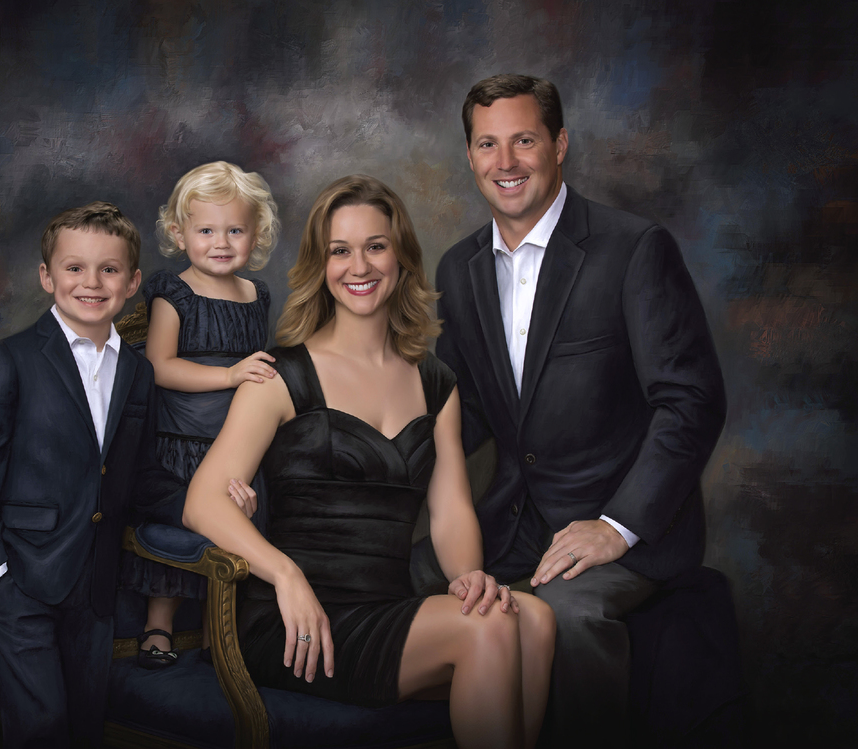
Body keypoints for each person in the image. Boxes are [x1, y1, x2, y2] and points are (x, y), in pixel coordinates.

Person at [183, 175, 556, 749]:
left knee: (536, 620)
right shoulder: (281, 375)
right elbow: (202, 502)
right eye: (340, 250)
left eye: (375, 246)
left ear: (401, 256)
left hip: (386, 607)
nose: (359, 266)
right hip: (294, 620)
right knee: (490, 629)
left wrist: (469, 577)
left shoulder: (436, 382)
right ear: (322, 265)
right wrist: (286, 575)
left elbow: (451, 512)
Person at [434, 73, 727, 745]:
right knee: (392, 577)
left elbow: (691, 401)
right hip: (510, 524)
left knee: (566, 617)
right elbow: (463, 411)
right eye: (487, 144)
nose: (505, 162)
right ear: (470, 156)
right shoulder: (458, 268)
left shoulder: (634, 248)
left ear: (559, 145)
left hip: (621, 529)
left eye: (524, 140)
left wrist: (616, 526)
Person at [0, 202, 187, 747]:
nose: (91, 282)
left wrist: (207, 501)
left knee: (85, 726)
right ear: (47, 276)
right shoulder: (10, 359)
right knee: (41, 727)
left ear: (132, 283)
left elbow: (144, 476)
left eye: (109, 269)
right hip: (23, 579)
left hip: (97, 587)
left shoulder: (138, 371)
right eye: (75, 267)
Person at [119, 161, 279, 667]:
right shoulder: (174, 293)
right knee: (188, 527)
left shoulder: (257, 295)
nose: (221, 242)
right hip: (181, 445)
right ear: (179, 233)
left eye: (235, 230)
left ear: (257, 233)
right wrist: (230, 375)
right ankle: (159, 626)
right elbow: (160, 365)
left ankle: (222, 632)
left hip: (237, 445)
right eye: (206, 230)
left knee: (244, 525)